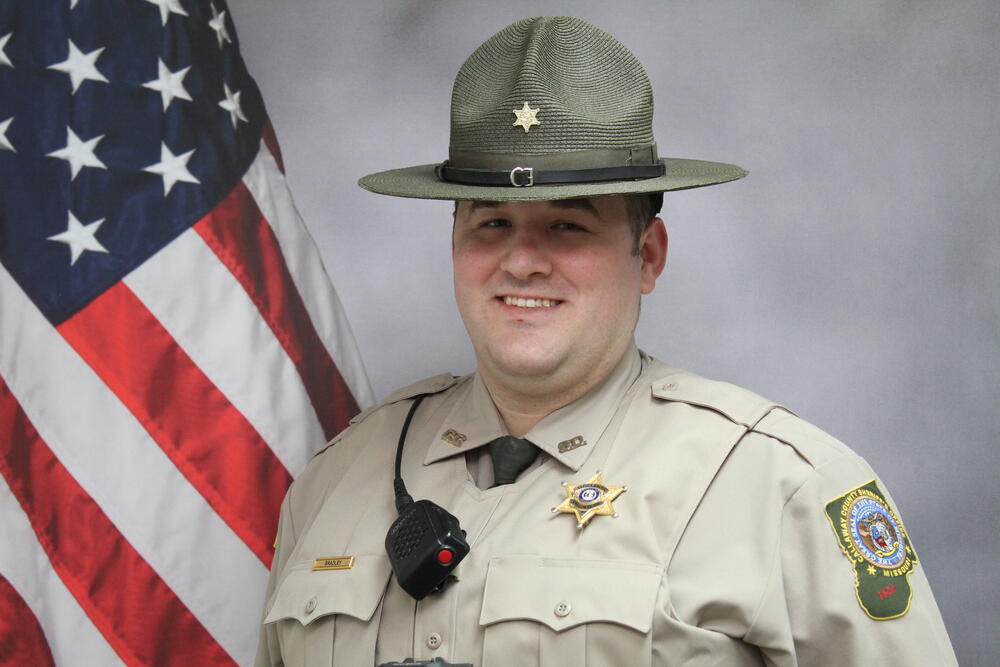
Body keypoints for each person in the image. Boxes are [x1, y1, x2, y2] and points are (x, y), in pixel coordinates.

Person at [255, 16, 957, 666]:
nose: (522, 260)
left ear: (647, 253)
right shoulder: (335, 481)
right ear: (454, 241)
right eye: (491, 223)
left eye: (569, 225)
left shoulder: (781, 487)